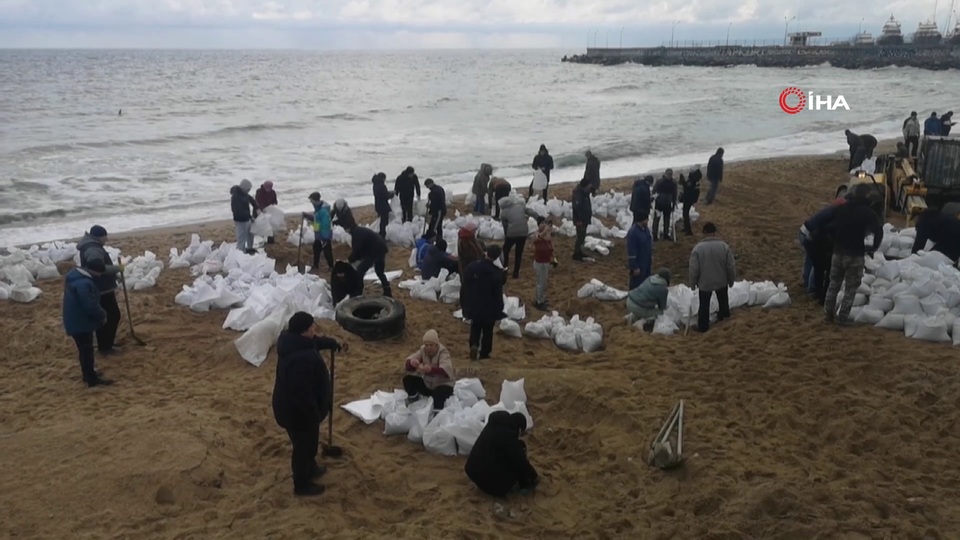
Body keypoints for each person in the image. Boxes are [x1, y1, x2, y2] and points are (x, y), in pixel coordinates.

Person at [272, 312, 342, 497]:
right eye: (312, 327)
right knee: (303, 447)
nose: (315, 329)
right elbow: (301, 393)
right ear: (303, 332)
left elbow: (314, 343)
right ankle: (302, 485)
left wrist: (330, 343)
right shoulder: (300, 360)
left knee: (310, 443)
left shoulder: (294, 343)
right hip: (299, 413)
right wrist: (313, 414)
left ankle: (311, 468)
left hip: (295, 409)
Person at [823, 193, 883, 326]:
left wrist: (834, 243)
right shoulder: (868, 213)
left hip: (838, 253)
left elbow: (830, 227)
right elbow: (877, 231)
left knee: (833, 284)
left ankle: (828, 315)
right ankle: (842, 318)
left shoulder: (841, 209)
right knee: (850, 288)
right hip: (855, 255)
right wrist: (873, 247)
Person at [63, 258, 113, 387]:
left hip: (76, 320)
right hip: (81, 323)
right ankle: (91, 379)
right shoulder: (84, 284)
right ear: (94, 271)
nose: (100, 276)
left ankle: (88, 373)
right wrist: (102, 315)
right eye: (99, 273)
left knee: (84, 350)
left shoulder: (76, 277)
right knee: (86, 350)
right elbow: (90, 305)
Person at [464, 411, 538, 498]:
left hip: (473, 472)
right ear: (519, 428)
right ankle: (524, 485)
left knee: (508, 453)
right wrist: (533, 475)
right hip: (492, 486)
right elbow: (519, 461)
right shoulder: (508, 436)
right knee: (519, 449)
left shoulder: (493, 425)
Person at [77, 225, 123, 356]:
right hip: (101, 290)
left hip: (101, 287)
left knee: (107, 316)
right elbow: (97, 266)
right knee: (111, 316)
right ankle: (105, 347)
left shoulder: (91, 245)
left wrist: (114, 275)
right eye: (104, 236)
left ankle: (106, 343)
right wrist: (117, 268)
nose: (106, 239)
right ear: (98, 237)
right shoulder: (92, 248)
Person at [689, 222, 736, 333]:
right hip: (721, 281)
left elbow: (694, 269)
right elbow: (730, 266)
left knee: (704, 306)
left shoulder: (697, 249)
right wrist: (731, 280)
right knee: (723, 303)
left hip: (705, 283)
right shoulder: (724, 246)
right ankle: (725, 323)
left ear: (704, 233)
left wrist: (693, 283)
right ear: (714, 232)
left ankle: (703, 327)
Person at [462, 245, 505, 361]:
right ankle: (484, 353)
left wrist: (465, 304)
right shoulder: (495, 272)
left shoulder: (472, 267)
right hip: (489, 307)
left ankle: (474, 344)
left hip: (474, 303)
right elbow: (498, 293)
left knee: (475, 326)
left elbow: (465, 286)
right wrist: (499, 308)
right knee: (488, 330)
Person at [801, 200, 846, 303]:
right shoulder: (835, 220)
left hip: (814, 242)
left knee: (818, 269)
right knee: (826, 270)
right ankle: (819, 294)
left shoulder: (828, 217)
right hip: (820, 246)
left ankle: (815, 291)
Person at [403, 329, 455, 409]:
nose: (428, 348)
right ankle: (413, 400)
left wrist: (431, 370)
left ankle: (437, 413)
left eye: (431, 345)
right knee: (408, 379)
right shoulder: (423, 350)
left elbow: (445, 370)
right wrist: (412, 363)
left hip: (443, 384)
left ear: (436, 345)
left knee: (438, 395)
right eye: (426, 345)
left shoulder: (443, 352)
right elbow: (409, 363)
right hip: (428, 385)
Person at [499, 193, 540, 279]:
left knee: (506, 250)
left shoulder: (503, 213)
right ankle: (516, 273)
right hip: (523, 232)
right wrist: (538, 218)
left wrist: (507, 235)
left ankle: (505, 268)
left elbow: (505, 226)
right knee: (519, 252)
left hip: (511, 234)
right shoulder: (520, 206)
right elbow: (530, 211)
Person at [345, 222, 392, 297]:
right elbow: (361, 249)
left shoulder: (356, 234)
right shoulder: (360, 231)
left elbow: (357, 250)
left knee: (360, 271)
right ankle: (387, 291)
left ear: (348, 229)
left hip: (374, 251)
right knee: (380, 272)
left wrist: (349, 260)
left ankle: (358, 292)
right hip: (381, 248)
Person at [302, 192, 334, 272]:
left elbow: (326, 224)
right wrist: (307, 216)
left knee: (327, 251)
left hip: (324, 235)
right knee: (316, 248)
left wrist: (324, 237)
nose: (311, 202)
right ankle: (315, 265)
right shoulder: (318, 208)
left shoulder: (323, 210)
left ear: (315, 200)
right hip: (319, 235)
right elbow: (317, 219)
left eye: (311, 200)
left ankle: (331, 266)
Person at [532, 218, 557, 311]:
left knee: (544, 282)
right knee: (541, 283)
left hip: (546, 261)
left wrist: (554, 258)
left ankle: (541, 298)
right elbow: (538, 238)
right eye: (542, 223)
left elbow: (550, 247)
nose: (544, 225)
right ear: (538, 225)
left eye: (545, 223)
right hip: (540, 262)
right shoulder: (536, 234)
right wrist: (545, 231)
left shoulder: (547, 235)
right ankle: (539, 301)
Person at [230, 179, 260, 254]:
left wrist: (257, 207)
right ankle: (240, 252)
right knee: (242, 237)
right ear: (244, 187)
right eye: (248, 189)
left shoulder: (244, 193)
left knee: (250, 234)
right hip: (240, 220)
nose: (249, 191)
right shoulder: (236, 196)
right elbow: (238, 210)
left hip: (247, 218)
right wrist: (249, 216)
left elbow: (251, 200)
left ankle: (250, 248)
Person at [626, 212, 653, 290]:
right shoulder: (633, 233)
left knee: (646, 283)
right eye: (646, 219)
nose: (647, 221)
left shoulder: (646, 230)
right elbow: (631, 251)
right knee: (636, 284)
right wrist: (634, 267)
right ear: (642, 220)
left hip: (646, 262)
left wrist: (651, 256)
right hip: (639, 264)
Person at [571, 177, 595, 262]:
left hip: (584, 219)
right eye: (589, 186)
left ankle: (579, 251)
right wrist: (579, 220)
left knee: (582, 236)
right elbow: (577, 207)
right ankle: (576, 253)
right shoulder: (579, 194)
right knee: (580, 236)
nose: (590, 188)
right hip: (580, 220)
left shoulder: (584, 193)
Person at [652, 169, 678, 241]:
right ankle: (654, 234)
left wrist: (674, 203)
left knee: (667, 219)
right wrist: (655, 198)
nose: (669, 175)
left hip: (668, 203)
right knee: (657, 219)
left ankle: (666, 234)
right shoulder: (660, 182)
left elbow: (674, 194)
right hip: (659, 203)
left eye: (671, 174)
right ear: (665, 174)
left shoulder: (673, 183)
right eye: (668, 174)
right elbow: (654, 191)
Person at [680, 165, 702, 235]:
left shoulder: (693, 179)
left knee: (685, 213)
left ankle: (688, 230)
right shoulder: (696, 178)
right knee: (685, 212)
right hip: (692, 197)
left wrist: (683, 181)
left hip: (688, 197)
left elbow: (687, 187)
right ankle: (686, 227)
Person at [372, 172, 393, 239]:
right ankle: (382, 235)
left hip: (378, 204)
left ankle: (381, 234)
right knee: (384, 221)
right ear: (382, 178)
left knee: (382, 220)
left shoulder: (375, 184)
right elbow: (385, 196)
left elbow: (381, 194)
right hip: (383, 205)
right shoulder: (382, 185)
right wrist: (391, 194)